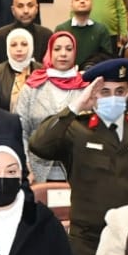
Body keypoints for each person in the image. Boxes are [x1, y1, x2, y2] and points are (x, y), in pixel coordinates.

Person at [31, 58, 128, 255]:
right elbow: (39, 145)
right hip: (87, 244)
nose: (113, 98)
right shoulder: (76, 129)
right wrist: (77, 106)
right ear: (93, 94)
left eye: (120, 91)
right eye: (105, 92)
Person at [17, 30, 87, 183]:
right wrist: (25, 164)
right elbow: (20, 130)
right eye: (57, 49)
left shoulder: (86, 88)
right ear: (49, 52)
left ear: (75, 53)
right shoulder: (32, 86)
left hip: (77, 172)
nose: (63, 54)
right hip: (35, 170)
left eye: (69, 49)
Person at [55, 0, 116, 66]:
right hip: (67, 71)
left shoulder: (101, 29)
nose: (82, 1)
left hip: (93, 71)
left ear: (92, 5)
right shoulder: (62, 29)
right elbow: (56, 56)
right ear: (71, 6)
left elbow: (106, 56)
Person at [0, 0, 47, 67]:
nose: (26, 11)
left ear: (36, 9)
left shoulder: (46, 35)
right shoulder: (0, 36)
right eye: (20, 6)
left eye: (30, 6)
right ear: (13, 10)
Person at [0, 29, 40, 114]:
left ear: (31, 46)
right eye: (13, 45)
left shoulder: (43, 71)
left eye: (24, 44)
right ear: (7, 47)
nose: (19, 49)